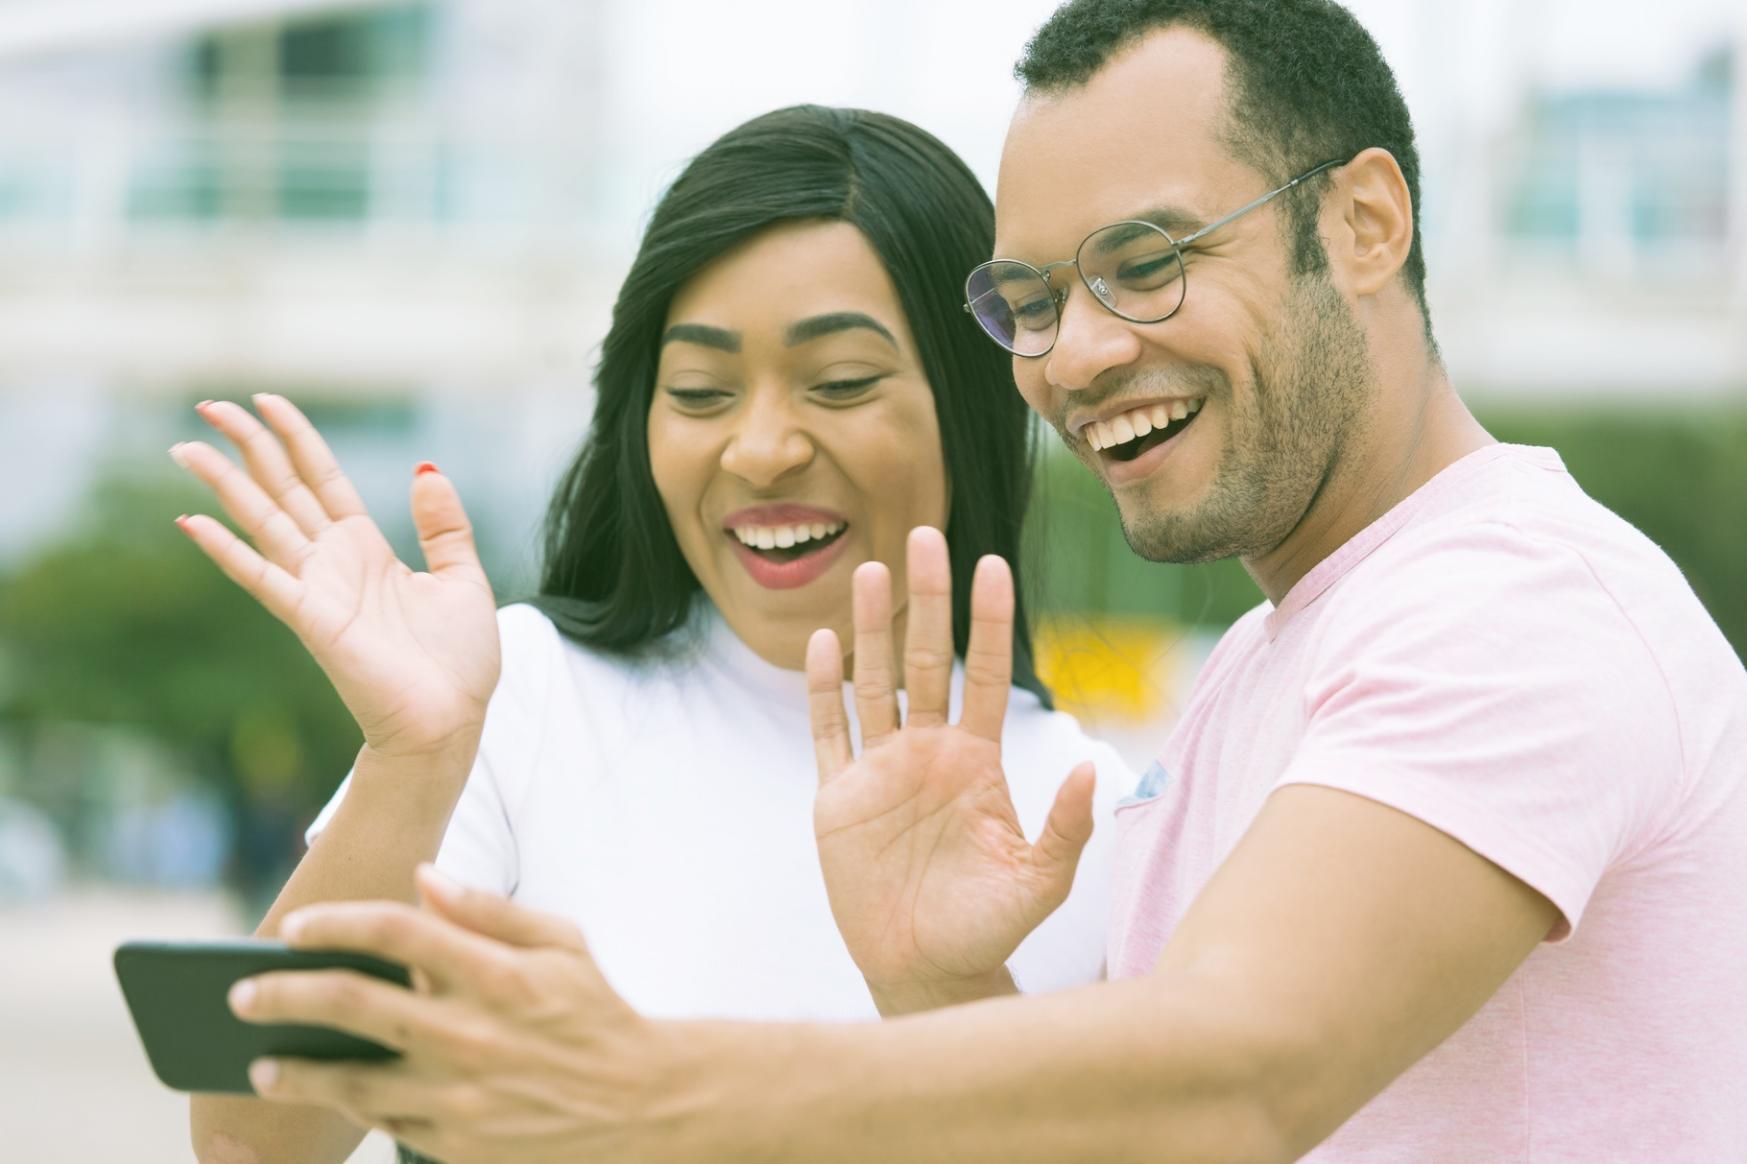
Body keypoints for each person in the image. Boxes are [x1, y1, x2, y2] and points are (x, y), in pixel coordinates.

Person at [222, 1, 1747, 1160]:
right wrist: (935, 984)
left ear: (1361, 223)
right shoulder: (1264, 667)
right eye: (1032, 298)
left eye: (1146, 262)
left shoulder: (1513, 611)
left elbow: (1243, 1071)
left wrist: (642, 1083)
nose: (1078, 352)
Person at [175, 104, 1132, 1164]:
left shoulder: (1082, 814)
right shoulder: (517, 700)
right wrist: (416, 761)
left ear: (974, 403)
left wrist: (944, 992)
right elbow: (247, 1138)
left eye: (841, 382)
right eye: (700, 391)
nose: (760, 449)